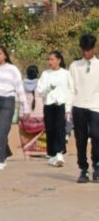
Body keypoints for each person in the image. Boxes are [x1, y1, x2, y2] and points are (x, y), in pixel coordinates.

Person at [69, 33, 99, 183]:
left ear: (94, 48)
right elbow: (71, 88)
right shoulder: (74, 66)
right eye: (84, 50)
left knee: (97, 136)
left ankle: (97, 166)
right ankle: (83, 169)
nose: (86, 53)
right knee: (80, 139)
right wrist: (68, 108)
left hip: (96, 106)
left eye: (89, 50)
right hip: (79, 106)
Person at [36, 51, 72, 167]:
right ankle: (52, 154)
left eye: (52, 59)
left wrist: (68, 107)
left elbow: (70, 91)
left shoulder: (66, 74)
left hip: (61, 105)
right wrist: (49, 88)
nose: (49, 62)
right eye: (48, 59)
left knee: (60, 128)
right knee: (50, 129)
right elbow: (40, 92)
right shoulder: (45, 74)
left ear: (59, 60)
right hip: (48, 104)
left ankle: (59, 152)